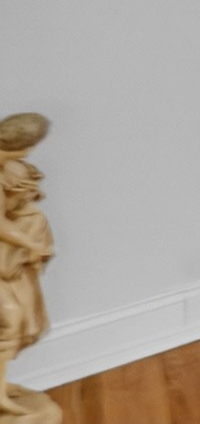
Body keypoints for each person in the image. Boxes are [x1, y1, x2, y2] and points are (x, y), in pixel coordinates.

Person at [0, 114, 54, 421]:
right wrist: (30, 243)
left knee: (14, 323)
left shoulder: (11, 167)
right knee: (9, 320)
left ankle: (0, 389)